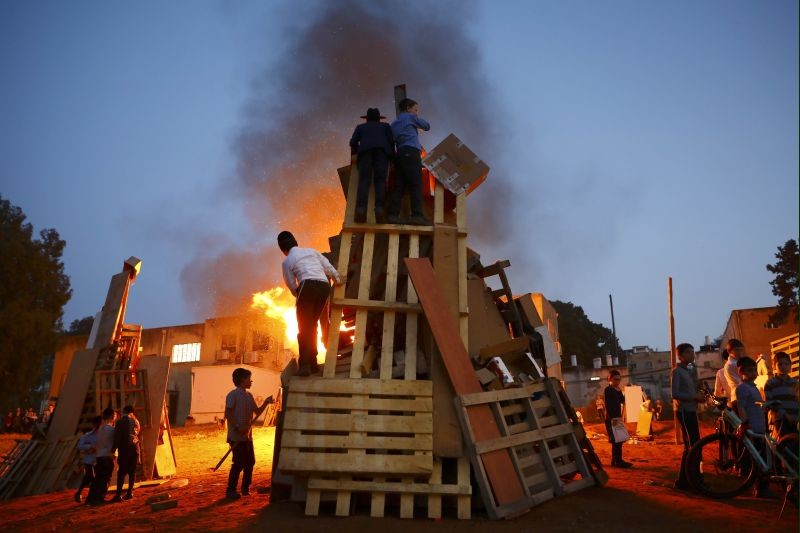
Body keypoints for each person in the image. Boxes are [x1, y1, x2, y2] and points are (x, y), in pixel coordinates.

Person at [278, 230, 344, 376]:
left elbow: (291, 283)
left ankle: (305, 365)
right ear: (296, 243)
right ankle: (313, 364)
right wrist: (338, 279)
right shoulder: (312, 252)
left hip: (306, 286)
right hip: (323, 288)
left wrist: (299, 296)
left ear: (283, 250)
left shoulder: (287, 261)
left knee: (304, 328)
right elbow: (328, 267)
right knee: (312, 325)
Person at [224, 368, 273, 500]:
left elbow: (257, 412)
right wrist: (238, 427)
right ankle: (230, 490)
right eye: (249, 378)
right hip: (236, 436)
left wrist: (266, 403)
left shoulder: (249, 396)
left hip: (247, 436)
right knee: (238, 463)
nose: (251, 381)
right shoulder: (233, 395)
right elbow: (227, 414)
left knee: (250, 462)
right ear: (242, 380)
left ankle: (245, 488)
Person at [388, 98, 431, 226]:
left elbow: (392, 141)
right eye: (415, 109)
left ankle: (392, 215)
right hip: (411, 153)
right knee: (416, 184)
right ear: (408, 108)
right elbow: (427, 126)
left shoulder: (394, 124)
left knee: (399, 185)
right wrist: (415, 119)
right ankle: (417, 216)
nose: (416, 112)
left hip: (400, 154)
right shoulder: (410, 117)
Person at [350, 107, 394, 224]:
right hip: (382, 153)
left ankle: (360, 209)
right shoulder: (386, 127)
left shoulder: (361, 127)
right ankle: (379, 209)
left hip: (365, 154)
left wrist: (358, 150)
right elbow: (391, 141)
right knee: (380, 181)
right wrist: (392, 157)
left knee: (364, 180)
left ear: (367, 119)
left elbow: (352, 143)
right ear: (379, 119)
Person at [734, 356, 771, 497]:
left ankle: (761, 488)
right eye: (749, 371)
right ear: (740, 372)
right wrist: (745, 423)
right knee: (757, 461)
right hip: (752, 429)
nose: (753, 373)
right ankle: (759, 489)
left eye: (754, 370)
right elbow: (741, 407)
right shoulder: (742, 388)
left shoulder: (753, 387)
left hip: (760, 428)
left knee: (762, 459)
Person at [671, 343, 705, 490]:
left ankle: (686, 481)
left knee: (693, 445)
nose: (692, 355)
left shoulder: (690, 370)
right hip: (684, 412)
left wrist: (700, 392)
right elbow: (675, 394)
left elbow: (694, 389)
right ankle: (692, 481)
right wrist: (694, 396)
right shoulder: (677, 372)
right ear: (680, 356)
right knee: (692, 446)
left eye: (693, 352)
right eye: (689, 352)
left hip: (691, 411)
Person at [764, 352, 798, 437]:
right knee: (784, 443)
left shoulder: (795, 383)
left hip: (796, 419)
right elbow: (771, 403)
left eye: (786, 364)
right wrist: (786, 416)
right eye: (780, 364)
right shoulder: (770, 383)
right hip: (781, 420)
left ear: (790, 366)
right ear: (774, 366)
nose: (783, 366)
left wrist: (796, 417)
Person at [87, 407, 117, 505]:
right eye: (115, 416)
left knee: (98, 478)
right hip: (107, 457)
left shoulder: (99, 429)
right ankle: (100, 498)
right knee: (105, 478)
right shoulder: (112, 430)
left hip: (99, 456)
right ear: (113, 417)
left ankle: (91, 499)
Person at [110, 405, 141, 502]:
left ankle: (118, 495)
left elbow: (117, 438)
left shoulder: (120, 422)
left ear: (123, 412)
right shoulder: (136, 422)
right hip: (135, 449)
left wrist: (113, 450)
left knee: (121, 473)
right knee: (132, 472)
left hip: (124, 450)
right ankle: (130, 492)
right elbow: (137, 436)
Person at [604, 370, 631, 468]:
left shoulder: (616, 390)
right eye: (615, 379)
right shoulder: (608, 390)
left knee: (619, 441)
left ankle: (616, 460)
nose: (617, 382)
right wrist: (613, 420)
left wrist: (619, 391)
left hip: (617, 418)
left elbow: (623, 401)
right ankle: (617, 461)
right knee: (617, 441)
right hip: (612, 418)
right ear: (609, 379)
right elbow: (608, 406)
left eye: (619, 380)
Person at [74, 415, 102, 503]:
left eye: (100, 423)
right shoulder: (87, 435)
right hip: (89, 459)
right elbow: (79, 446)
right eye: (97, 423)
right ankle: (89, 496)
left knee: (90, 478)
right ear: (94, 424)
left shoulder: (104, 434)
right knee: (90, 476)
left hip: (100, 459)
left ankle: (81, 493)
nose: (98, 425)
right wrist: (90, 446)